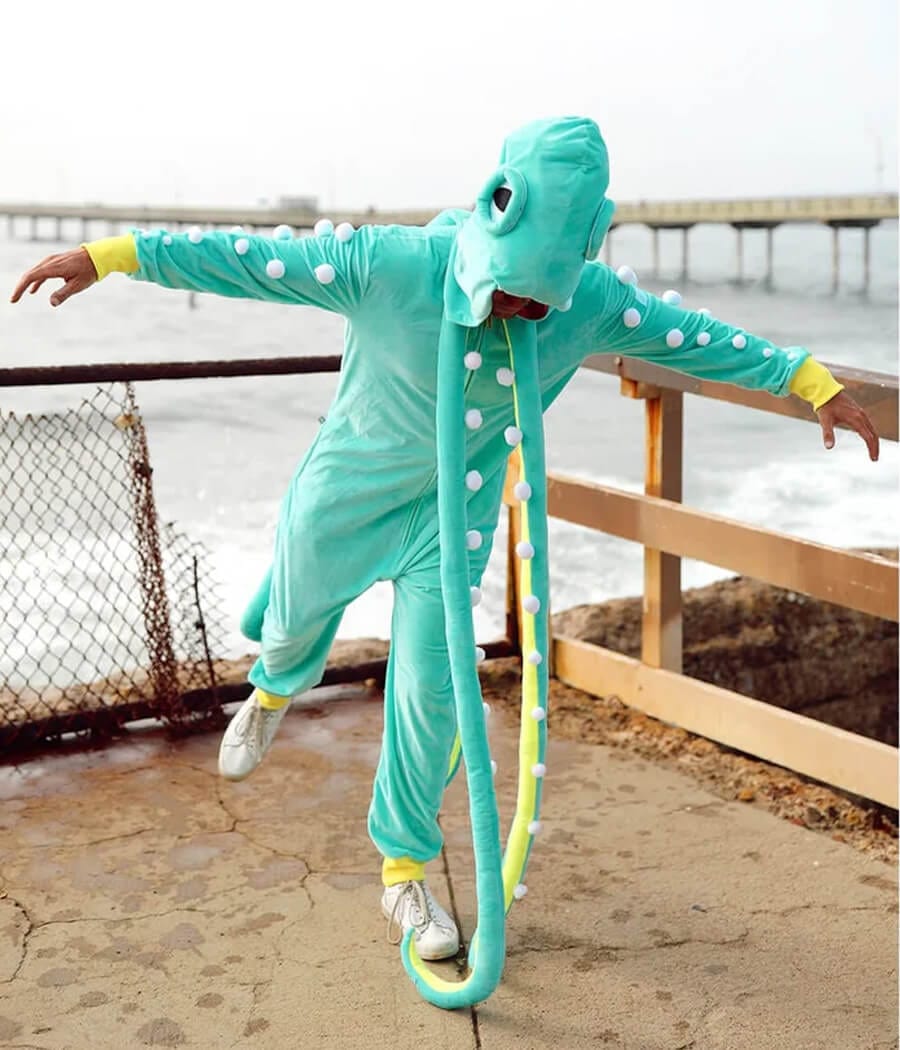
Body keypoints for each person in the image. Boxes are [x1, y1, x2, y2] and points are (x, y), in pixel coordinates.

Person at [10, 116, 880, 1007]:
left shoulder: (589, 301)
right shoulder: (391, 264)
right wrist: (111, 257)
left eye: (538, 303)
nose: (521, 313)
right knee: (294, 621)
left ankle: (403, 870)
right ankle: (272, 689)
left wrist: (808, 381)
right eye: (511, 292)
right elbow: (247, 259)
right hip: (345, 501)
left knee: (433, 697)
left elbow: (695, 337)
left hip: (451, 527)